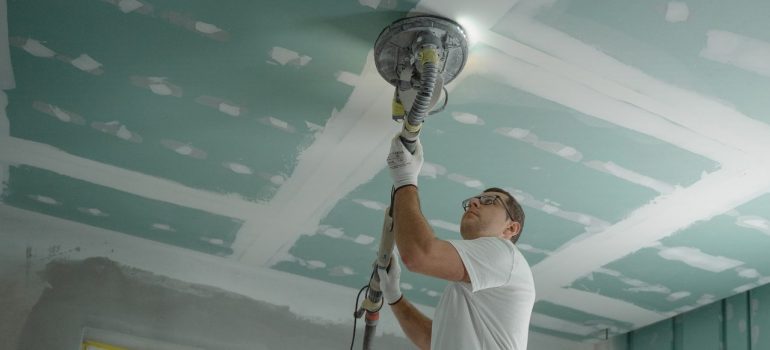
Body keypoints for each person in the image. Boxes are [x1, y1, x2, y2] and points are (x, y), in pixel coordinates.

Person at [378, 134, 536, 350]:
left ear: (510, 228)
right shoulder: (466, 290)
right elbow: (431, 341)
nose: (473, 201)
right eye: (474, 199)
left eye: (489, 201)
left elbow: (419, 256)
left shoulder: (504, 254)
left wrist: (405, 180)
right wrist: (394, 296)